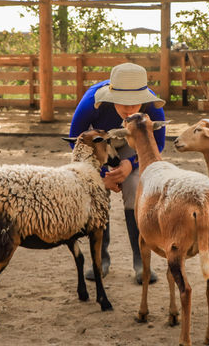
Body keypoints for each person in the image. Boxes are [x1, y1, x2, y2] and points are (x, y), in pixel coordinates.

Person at [69, 62, 165, 285]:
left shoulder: (153, 106)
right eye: (122, 103)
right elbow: (76, 142)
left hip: (134, 144)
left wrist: (131, 164)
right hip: (100, 145)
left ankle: (141, 263)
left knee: (134, 188)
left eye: (135, 102)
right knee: (97, 195)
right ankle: (100, 259)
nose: (129, 109)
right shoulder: (91, 103)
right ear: (111, 96)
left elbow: (157, 145)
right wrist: (102, 175)